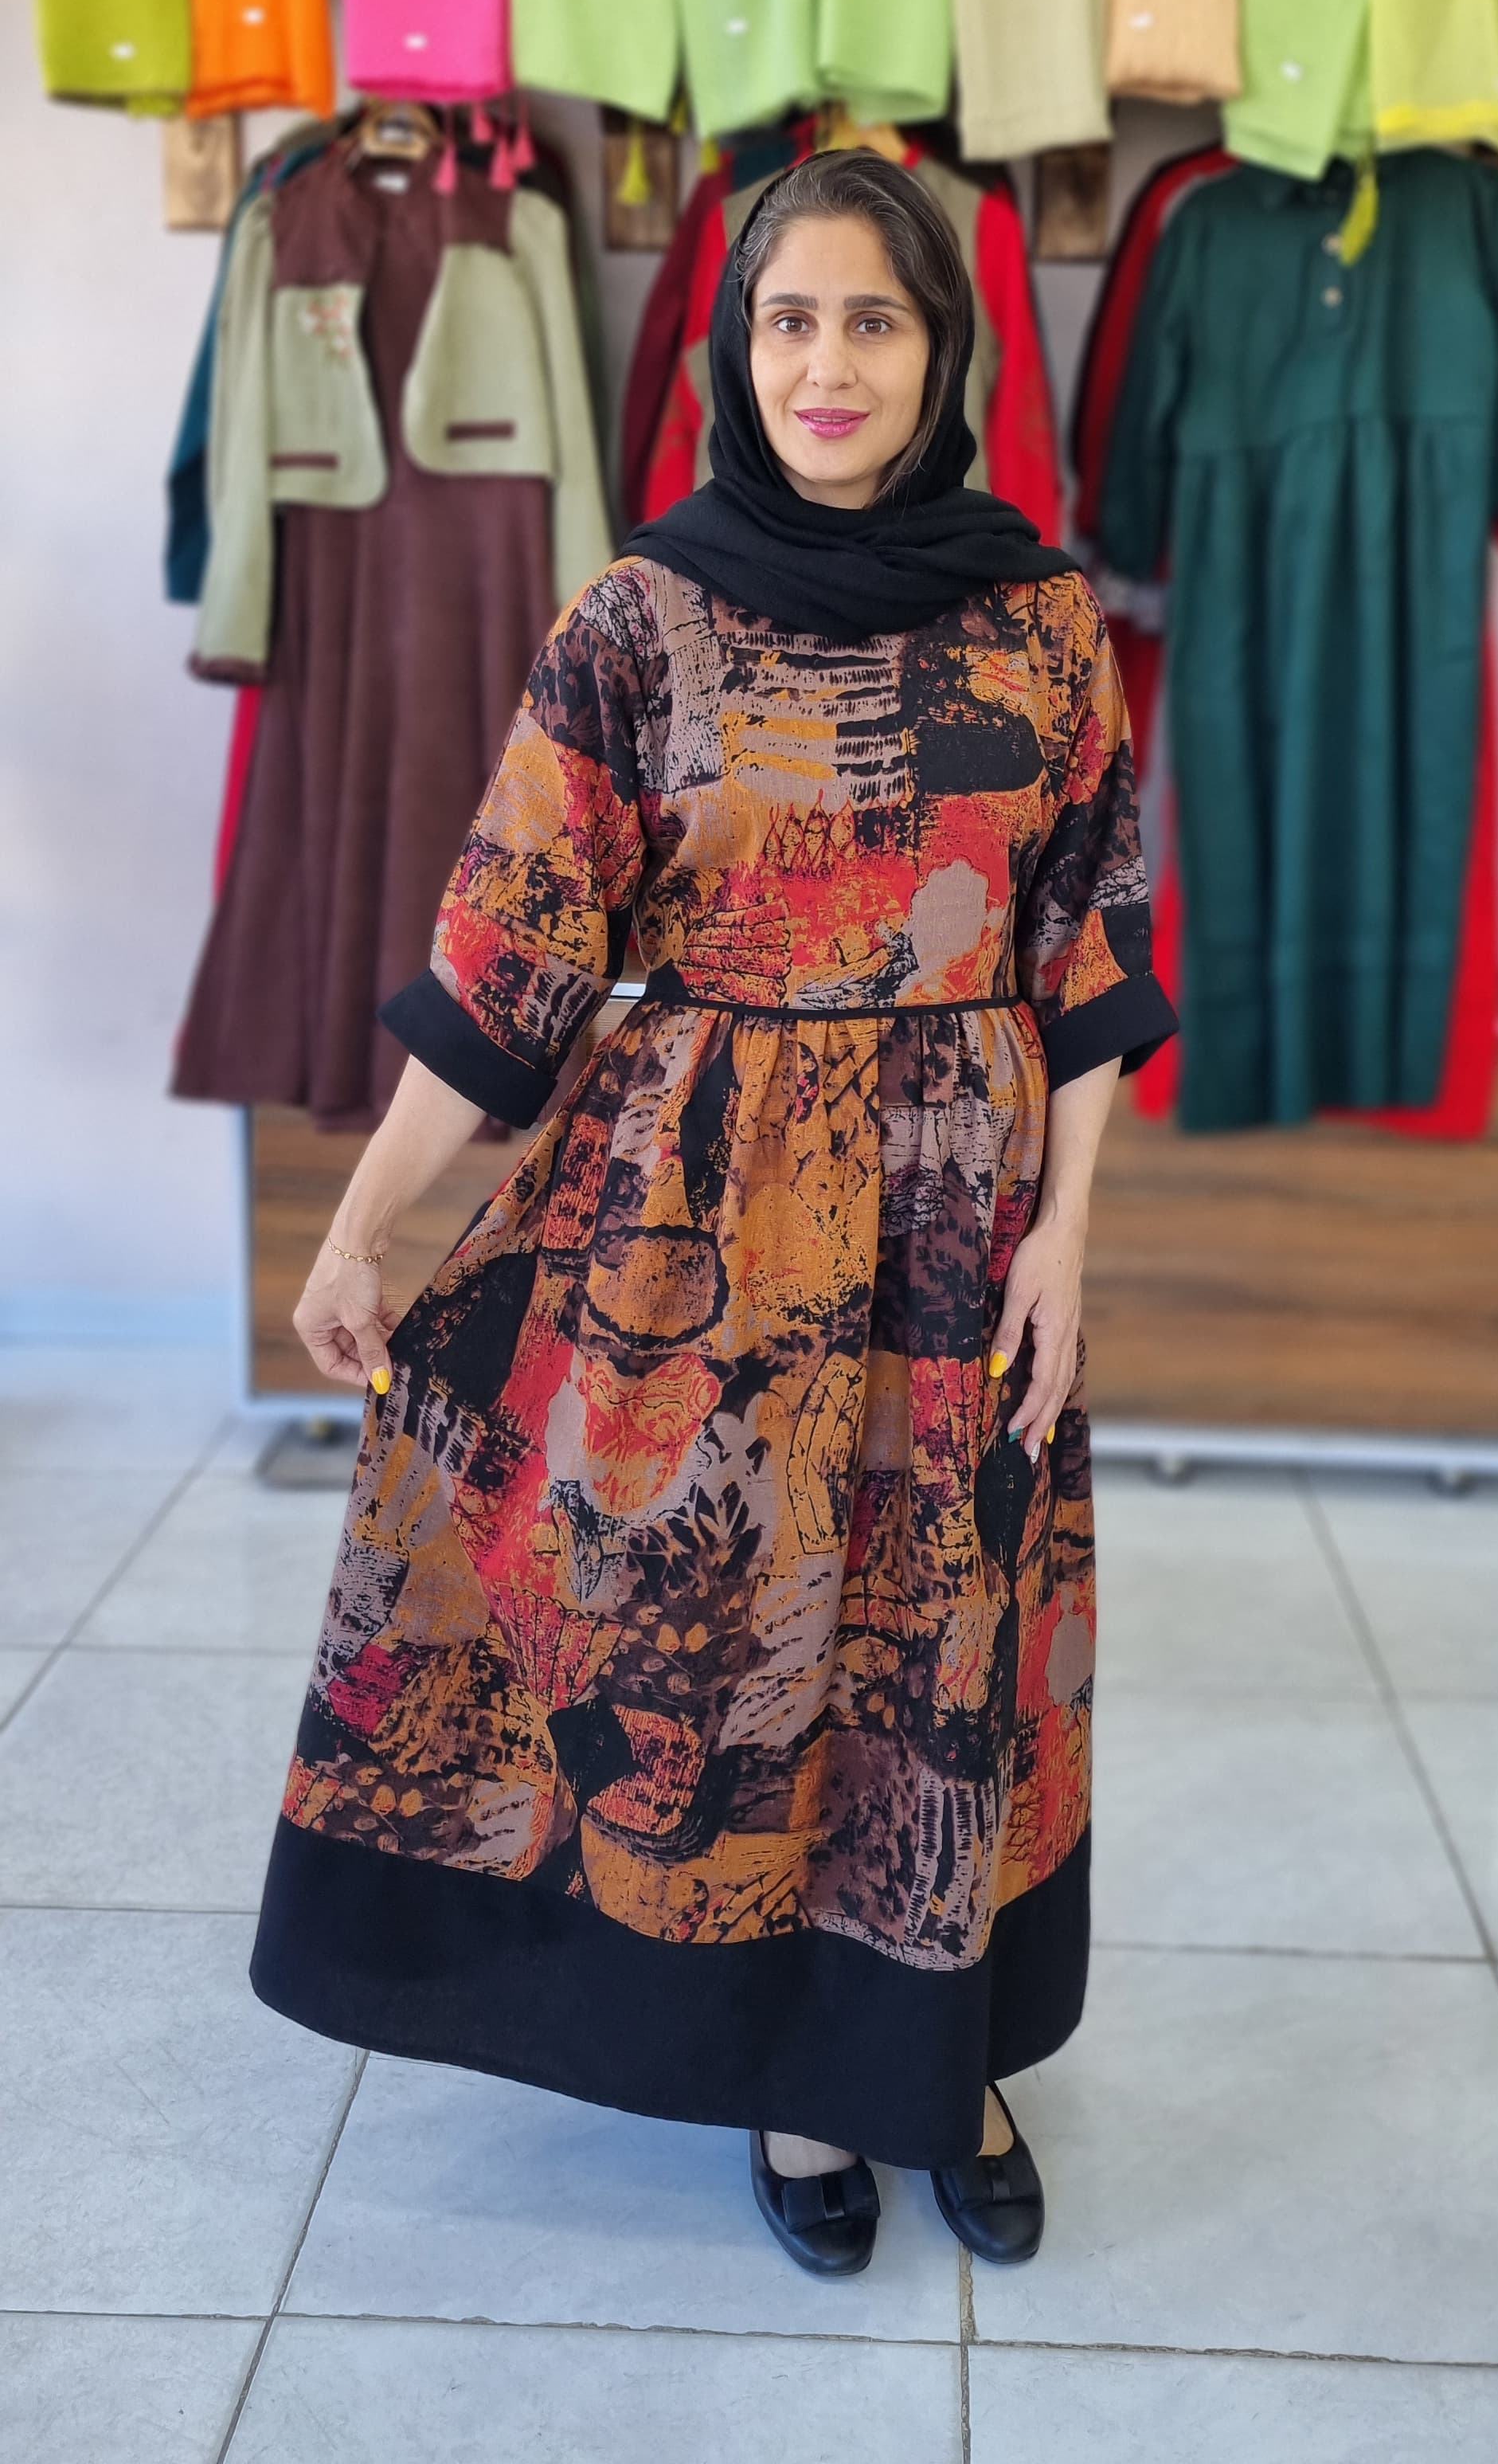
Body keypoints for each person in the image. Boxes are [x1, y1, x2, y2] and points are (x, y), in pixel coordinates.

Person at [252, 148, 1176, 2278]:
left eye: (874, 321)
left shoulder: (1042, 620)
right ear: (733, 351)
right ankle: (789, 2073)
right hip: (705, 1228)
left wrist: (1065, 1236)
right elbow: (508, 956)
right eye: (788, 321)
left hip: (962, 1230)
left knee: (942, 1644)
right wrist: (364, 1228)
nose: (827, 364)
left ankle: (944, 2050)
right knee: (735, 1655)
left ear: (941, 353)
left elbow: (1093, 951)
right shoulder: (640, 618)